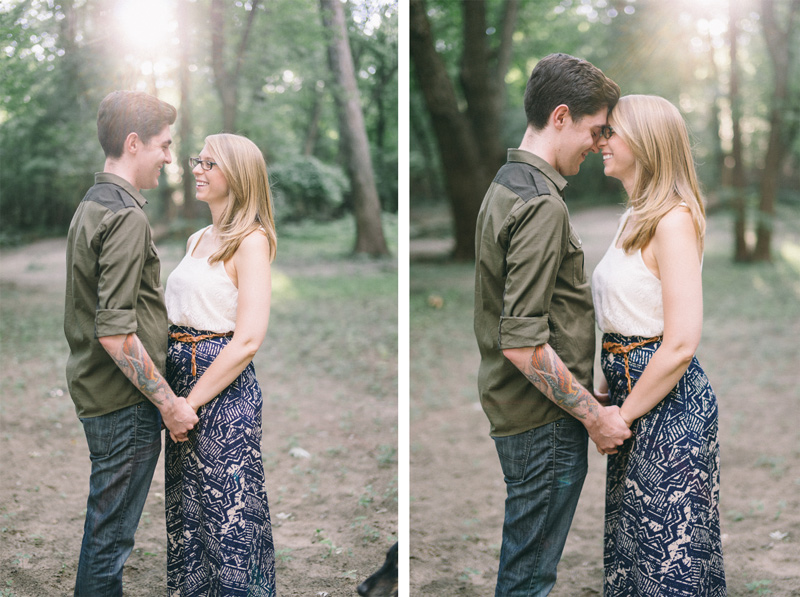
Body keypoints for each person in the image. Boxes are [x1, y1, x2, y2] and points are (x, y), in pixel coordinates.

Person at [473, 53, 632, 597]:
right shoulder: (541, 204)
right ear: (560, 116)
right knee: (529, 578)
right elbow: (522, 344)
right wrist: (595, 417)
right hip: (543, 420)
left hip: (521, 412)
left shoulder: (506, 183)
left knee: (527, 565)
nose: (598, 144)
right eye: (594, 130)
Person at [64, 90, 199, 597]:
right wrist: (167, 404)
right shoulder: (125, 216)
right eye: (164, 146)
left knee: (107, 532)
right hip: (124, 403)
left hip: (100, 394)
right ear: (134, 142)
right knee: (110, 540)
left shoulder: (92, 204)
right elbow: (115, 331)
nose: (169, 157)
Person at [593, 95, 726, 596]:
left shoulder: (673, 219)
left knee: (669, 562)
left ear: (646, 143)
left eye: (612, 132)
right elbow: (623, 314)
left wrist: (619, 418)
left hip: (669, 408)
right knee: (634, 551)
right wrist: (605, 389)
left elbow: (681, 342)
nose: (601, 141)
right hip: (631, 395)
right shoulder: (635, 216)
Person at [164, 133, 277, 596]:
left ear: (238, 175)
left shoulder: (250, 241)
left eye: (210, 163)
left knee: (230, 516)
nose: (197, 168)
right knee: (187, 513)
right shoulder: (196, 238)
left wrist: (188, 403)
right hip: (178, 383)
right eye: (198, 160)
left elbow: (248, 338)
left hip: (222, 394)